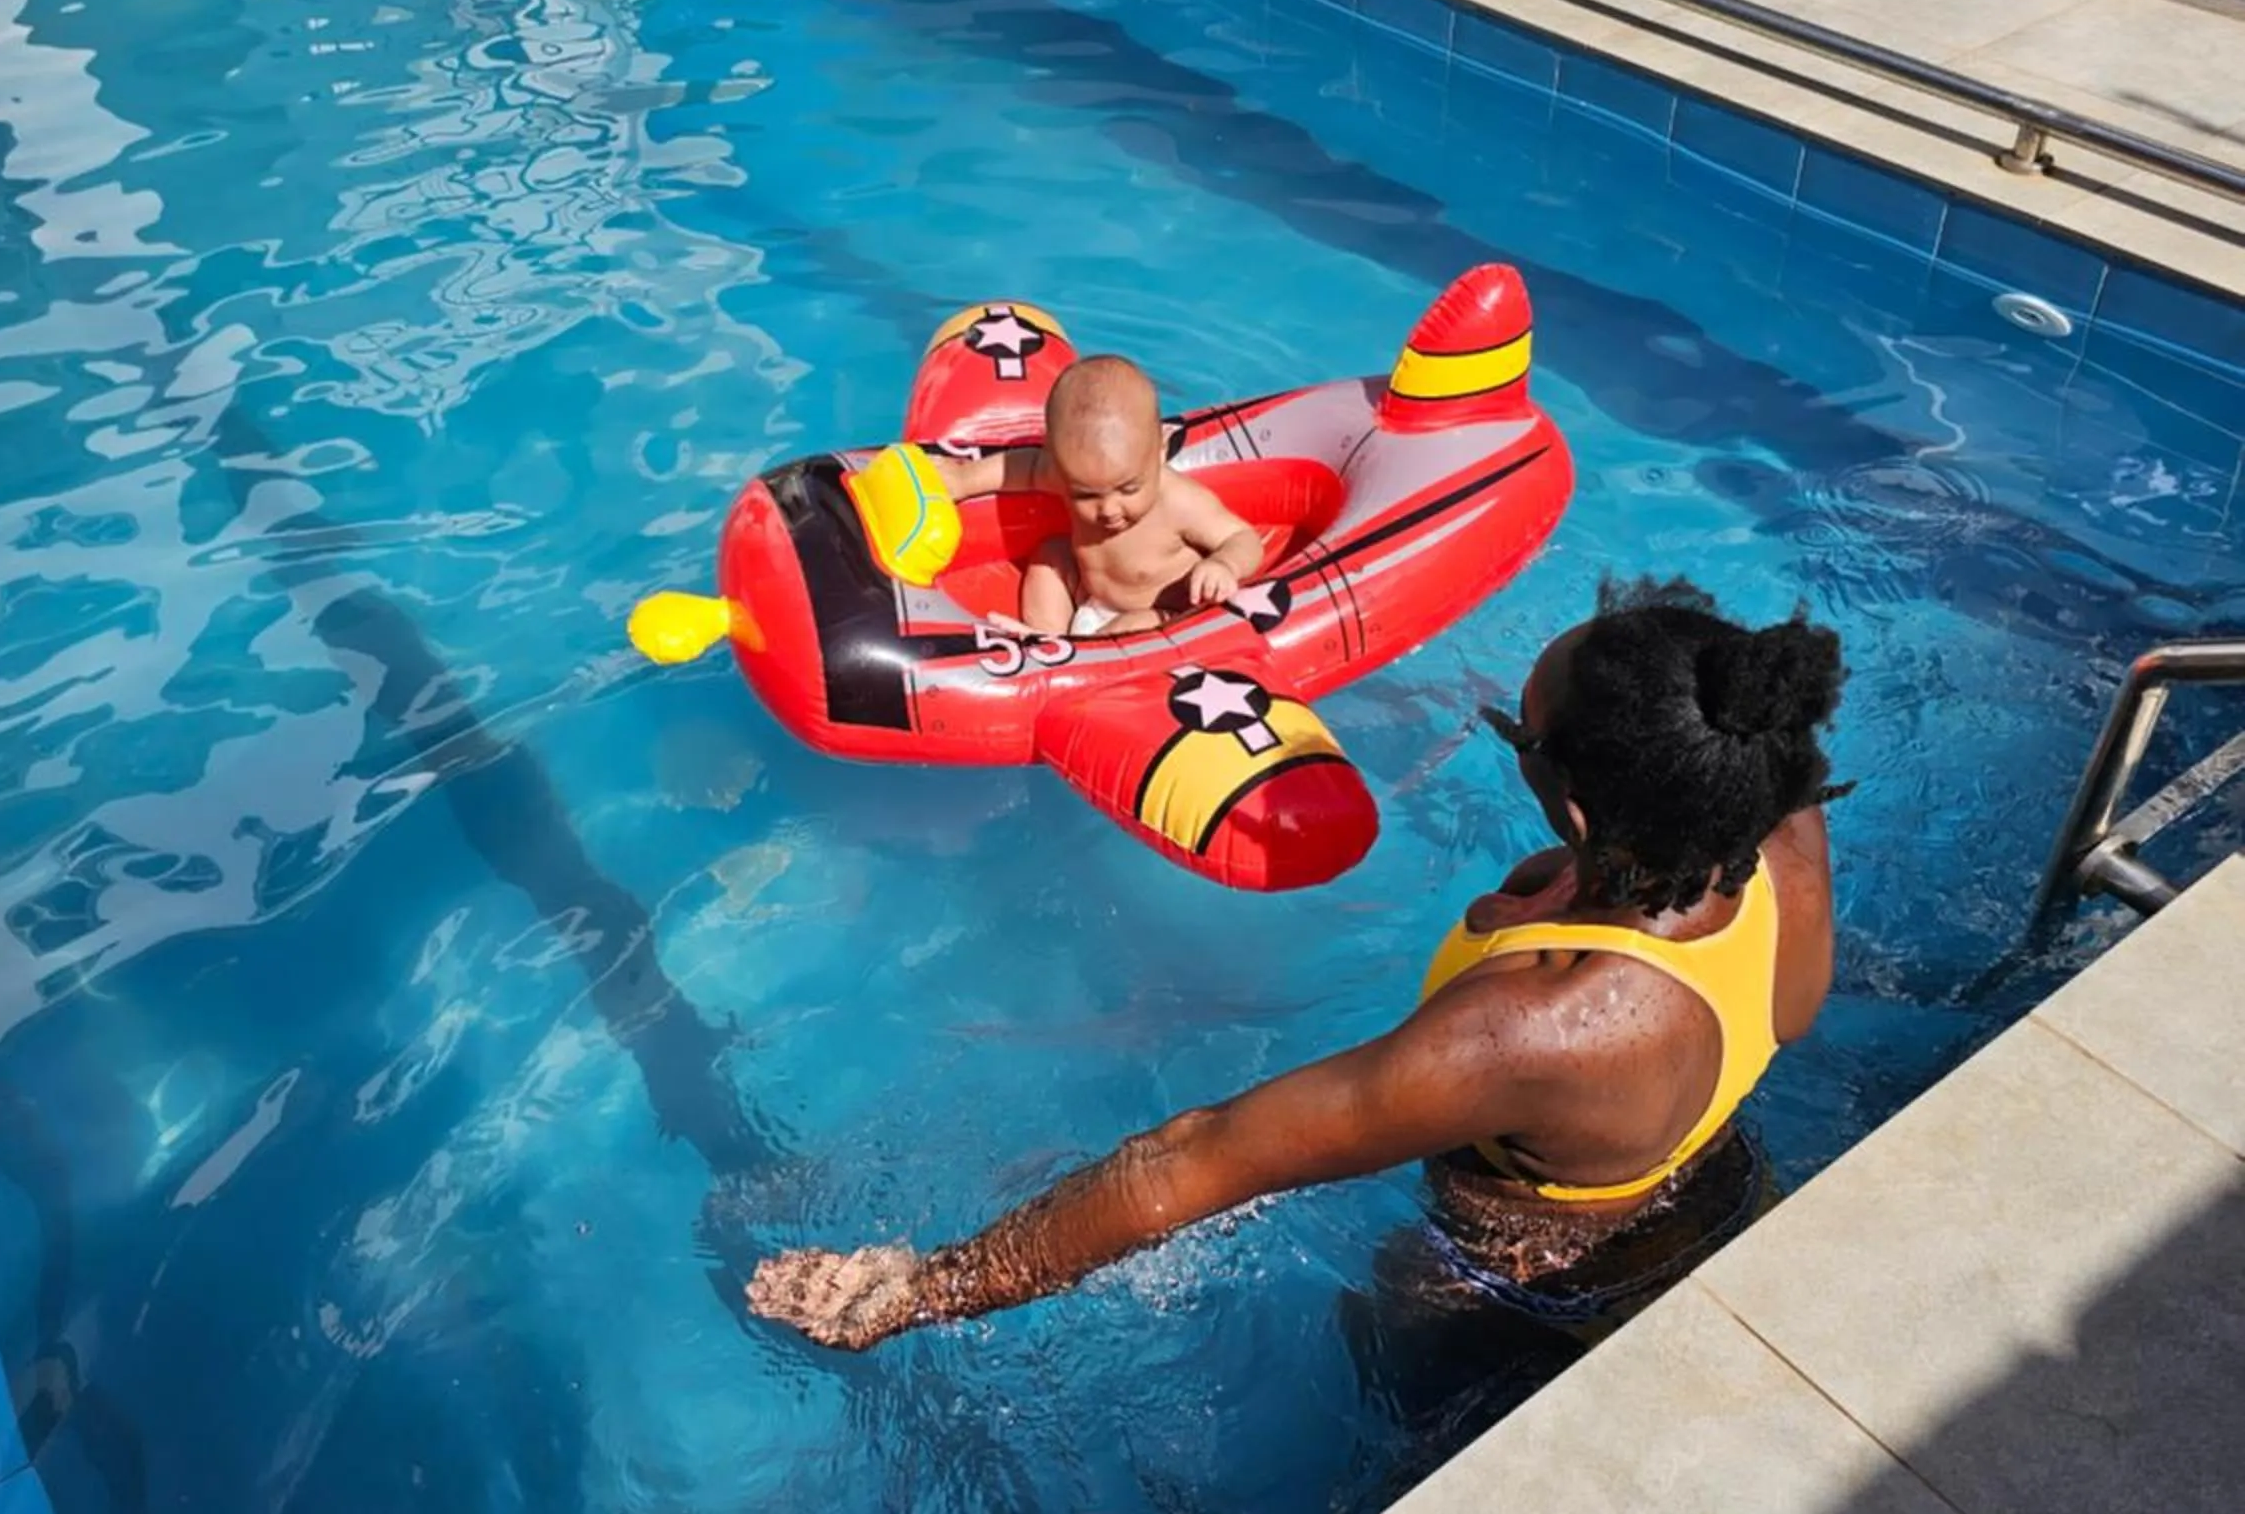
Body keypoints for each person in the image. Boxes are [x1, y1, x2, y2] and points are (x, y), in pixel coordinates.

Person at [746, 577, 1845, 1352]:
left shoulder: (1532, 1030)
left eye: (1519, 733)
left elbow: (1191, 1157)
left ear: (1576, 803)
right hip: (1716, 1173)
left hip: (1528, 1288)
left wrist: (920, 1291)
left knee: (1378, 1363)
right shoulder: (1774, 810)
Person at [934, 353, 1261, 638]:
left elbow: (1243, 537)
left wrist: (1223, 564)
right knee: (1051, 556)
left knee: (1134, 623)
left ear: (1161, 450)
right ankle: (1049, 639)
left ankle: (1083, 656)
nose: (1108, 509)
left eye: (1129, 488)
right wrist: (964, 479)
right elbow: (1024, 468)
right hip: (1089, 595)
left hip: (1160, 614)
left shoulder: (1178, 501)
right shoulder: (1073, 474)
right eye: (1085, 495)